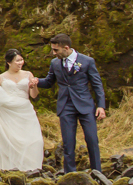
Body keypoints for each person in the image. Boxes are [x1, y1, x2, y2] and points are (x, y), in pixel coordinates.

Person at [33, 33, 107, 172]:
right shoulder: (55, 63)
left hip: (85, 105)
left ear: (66, 48)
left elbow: (97, 85)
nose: (53, 53)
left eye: (56, 50)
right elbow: (49, 82)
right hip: (65, 106)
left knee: (92, 140)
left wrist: (101, 106)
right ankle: (70, 175)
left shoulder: (87, 61)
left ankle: (97, 173)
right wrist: (36, 81)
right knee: (68, 143)